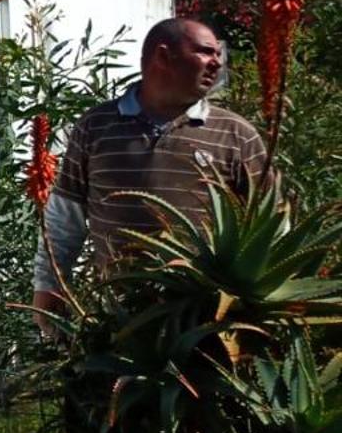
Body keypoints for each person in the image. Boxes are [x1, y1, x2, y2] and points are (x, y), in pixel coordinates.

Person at [34, 17, 268, 334]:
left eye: (218, 54)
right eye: (205, 52)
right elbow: (65, 220)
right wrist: (49, 287)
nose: (217, 62)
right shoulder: (96, 126)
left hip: (210, 327)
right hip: (118, 324)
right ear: (163, 56)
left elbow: (268, 226)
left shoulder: (237, 135)